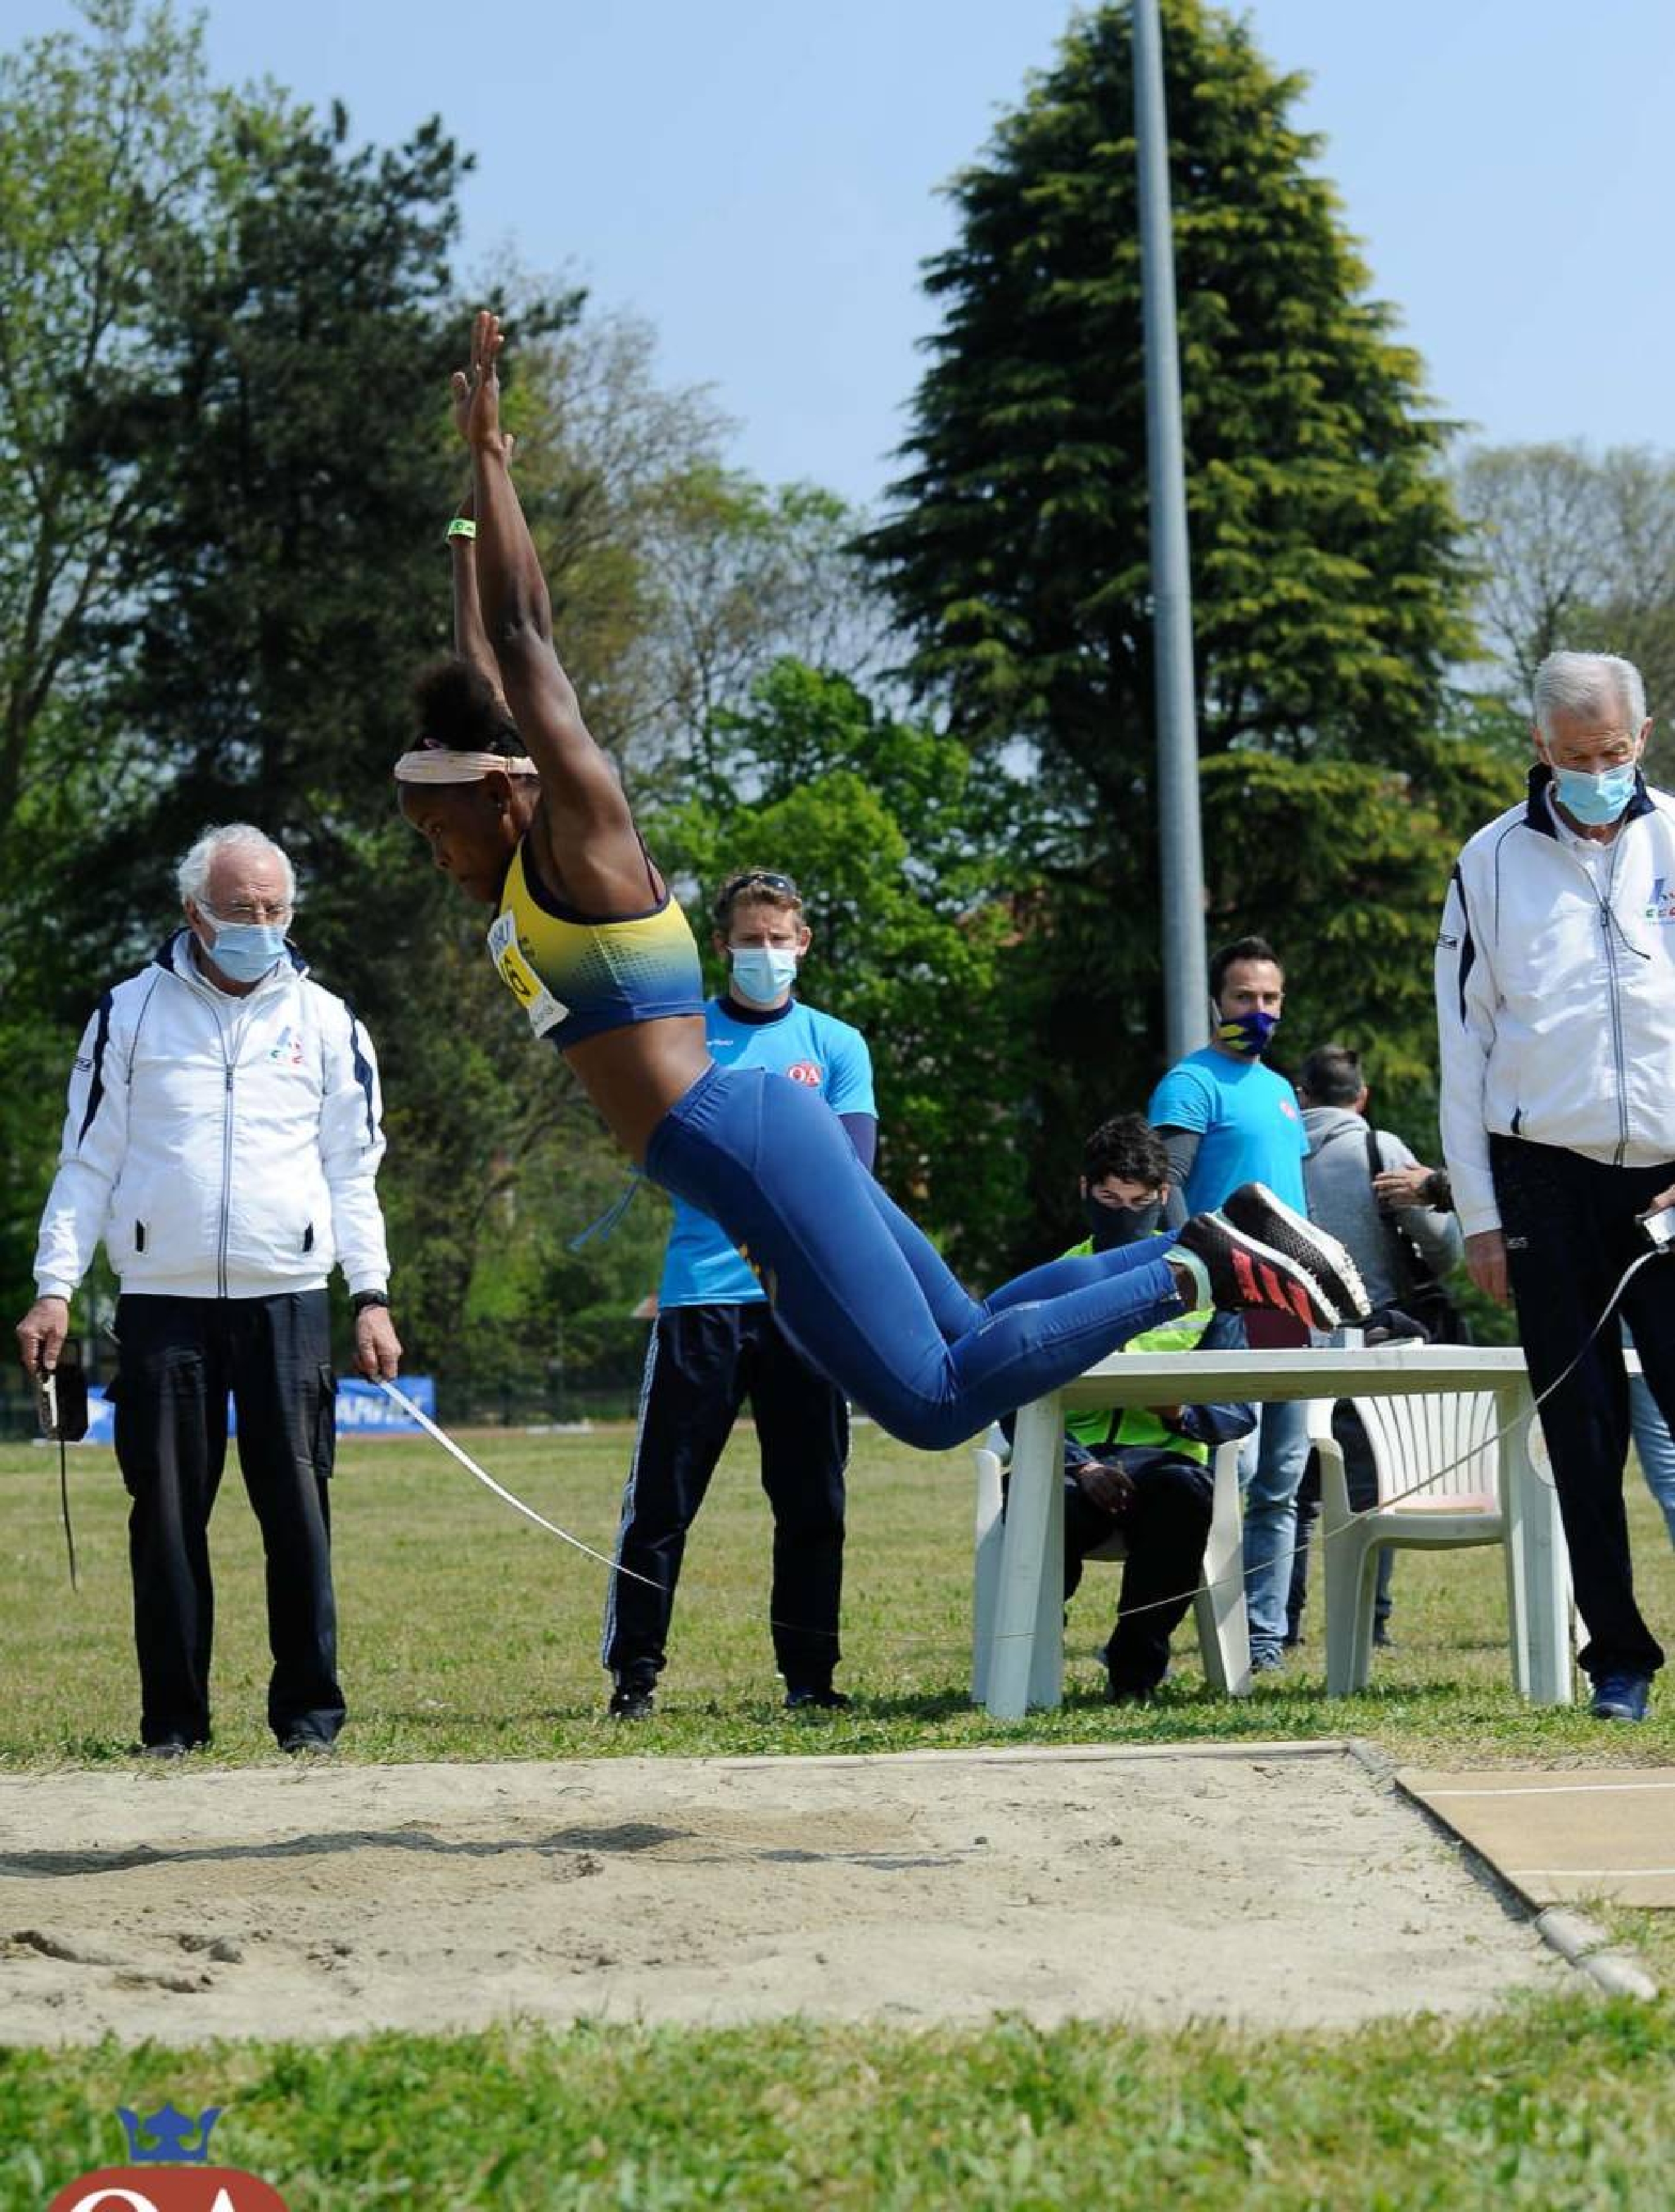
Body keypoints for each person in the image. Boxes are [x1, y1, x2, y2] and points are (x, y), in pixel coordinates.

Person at [394, 311, 1368, 1466]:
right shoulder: (520, 854)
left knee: (934, 1400)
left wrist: (494, 458)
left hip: (739, 1140)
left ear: (500, 793)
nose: (435, 855)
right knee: (970, 1332)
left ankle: (1201, 1268)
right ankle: (1230, 1234)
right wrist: (463, 521)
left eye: (436, 829)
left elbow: (523, 640)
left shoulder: (582, 847)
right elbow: (484, 669)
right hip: (748, 1140)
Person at [14, 825, 401, 1756]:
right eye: (239, 910)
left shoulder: (329, 1022)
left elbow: (354, 1172)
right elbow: (86, 1161)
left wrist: (371, 1292)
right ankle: (173, 1724)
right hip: (162, 1302)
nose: (260, 925)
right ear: (194, 912)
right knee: (165, 1519)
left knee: (298, 1516)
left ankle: (309, 1717)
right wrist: (55, 1285)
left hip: (288, 1297)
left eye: (274, 909)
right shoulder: (128, 1013)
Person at [1437, 647, 1675, 1723]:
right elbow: (1464, 1050)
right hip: (1543, 1177)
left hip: (1668, 1175)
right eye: (1575, 757)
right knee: (1580, 1433)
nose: (1597, 774)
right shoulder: (1488, 861)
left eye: (1613, 753)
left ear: (1644, 736)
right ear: (1538, 745)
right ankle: (1617, 1659)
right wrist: (1481, 1216)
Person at [602, 867, 876, 1720]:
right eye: (749, 939)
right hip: (701, 1298)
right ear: (720, 945)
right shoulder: (682, 1038)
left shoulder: (837, 1045)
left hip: (804, 1304)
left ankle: (810, 1676)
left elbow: (852, 1172)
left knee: (812, 1501)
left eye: (778, 938)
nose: (765, 952)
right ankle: (634, 1675)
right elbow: (663, 1154)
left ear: (803, 943)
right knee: (662, 1500)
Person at [1148, 936, 1314, 1673]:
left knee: (1282, 1479)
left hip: (1293, 1306)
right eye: (1245, 997)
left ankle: (1265, 1641)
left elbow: (1293, 1197)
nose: (1259, 1010)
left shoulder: (1280, 1090)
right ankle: (1197, 1633)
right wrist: (1205, 1273)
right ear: (1217, 1001)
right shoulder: (1191, 1082)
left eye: (1270, 998)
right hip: (1229, 1307)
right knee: (1230, 1476)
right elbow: (1167, 1186)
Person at [1047, 1116, 1254, 1704]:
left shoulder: (1208, 1288)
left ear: (1164, 1196)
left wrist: (1178, 1411)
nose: (1124, 1214)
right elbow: (1012, 1401)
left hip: (1165, 1466)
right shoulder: (1054, 1281)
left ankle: (1134, 1673)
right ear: (1085, 1190)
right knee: (1039, 1504)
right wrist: (1082, 1465)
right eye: (1109, 1199)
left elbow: (1237, 1412)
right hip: (1073, 1466)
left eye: (1138, 1203)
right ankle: (1033, 1649)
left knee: (1184, 1497)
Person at [1286, 1043, 1465, 1646]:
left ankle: (1278, 1624)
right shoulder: (1377, 1148)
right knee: (1368, 1486)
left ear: (1302, 1096)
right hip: (1372, 1332)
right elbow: (1443, 1248)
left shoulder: (1277, 1147)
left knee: (1291, 1488)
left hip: (1291, 1335)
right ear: (1360, 1097)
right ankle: (1369, 1621)